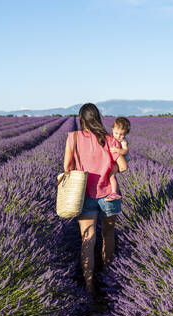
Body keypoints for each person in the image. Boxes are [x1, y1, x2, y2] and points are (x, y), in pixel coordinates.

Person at [63, 103, 128, 298]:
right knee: (108, 234)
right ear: (98, 117)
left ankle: (89, 285)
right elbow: (123, 167)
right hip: (109, 194)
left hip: (85, 195)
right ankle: (108, 274)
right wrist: (110, 170)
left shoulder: (72, 138)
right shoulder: (109, 139)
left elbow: (67, 167)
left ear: (81, 119)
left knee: (87, 239)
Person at [105, 117, 131, 201]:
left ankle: (114, 193)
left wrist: (117, 150)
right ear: (112, 129)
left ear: (125, 134)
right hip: (115, 160)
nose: (118, 136)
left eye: (121, 134)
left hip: (120, 162)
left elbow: (125, 151)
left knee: (111, 176)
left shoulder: (123, 141)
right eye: (116, 133)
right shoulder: (111, 137)